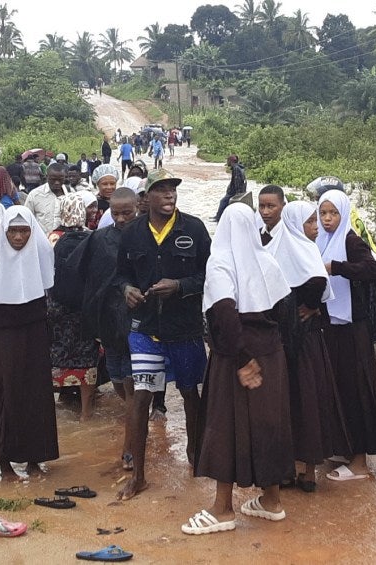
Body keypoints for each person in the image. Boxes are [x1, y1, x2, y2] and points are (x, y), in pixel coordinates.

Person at [182, 202, 293, 536]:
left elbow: (225, 314)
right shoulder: (268, 260)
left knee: (224, 425)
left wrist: (242, 359)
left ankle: (222, 509)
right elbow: (284, 312)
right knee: (268, 423)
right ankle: (271, 501)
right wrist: (268, 353)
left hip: (234, 356)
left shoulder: (220, 262)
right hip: (271, 354)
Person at [115, 169, 211, 501]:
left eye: (172, 189)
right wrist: (126, 289)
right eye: (162, 190)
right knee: (141, 396)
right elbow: (120, 275)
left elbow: (209, 275)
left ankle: (196, 456)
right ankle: (139, 475)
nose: (169, 195)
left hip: (184, 329)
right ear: (146, 199)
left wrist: (180, 286)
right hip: (144, 330)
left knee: (190, 394)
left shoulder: (195, 229)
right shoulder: (131, 234)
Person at [0, 206, 59, 481]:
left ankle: (34, 460)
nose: (18, 237)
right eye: (13, 231)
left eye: (24, 231)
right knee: (2, 394)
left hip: (34, 333)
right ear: (4, 231)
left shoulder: (42, 252)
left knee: (36, 394)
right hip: (0, 336)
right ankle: (3, 464)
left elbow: (47, 287)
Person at [277, 198, 350, 492]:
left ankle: (300, 471)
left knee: (299, 401)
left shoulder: (284, 249)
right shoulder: (301, 250)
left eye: (315, 220)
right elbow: (318, 283)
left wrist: (310, 306)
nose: (316, 226)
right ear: (295, 223)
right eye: (309, 221)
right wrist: (311, 306)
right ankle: (303, 471)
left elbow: (314, 285)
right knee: (303, 400)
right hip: (302, 342)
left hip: (295, 341)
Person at [316, 190, 376, 481]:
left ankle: (360, 462)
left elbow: (373, 269)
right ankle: (343, 447)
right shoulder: (322, 240)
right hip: (332, 327)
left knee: (356, 389)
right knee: (336, 387)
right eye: (323, 214)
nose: (328, 219)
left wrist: (337, 268)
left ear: (344, 213)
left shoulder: (350, 240)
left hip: (352, 329)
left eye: (333, 213)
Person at [70, 187, 139, 468]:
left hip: (138, 322)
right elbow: (79, 270)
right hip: (109, 321)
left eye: (127, 213)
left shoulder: (147, 238)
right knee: (118, 378)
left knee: (134, 385)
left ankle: (131, 449)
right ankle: (136, 419)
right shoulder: (99, 238)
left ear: (137, 208)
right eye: (116, 213)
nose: (122, 219)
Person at [48, 195, 100, 421]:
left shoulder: (51, 238)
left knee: (56, 355)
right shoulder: (93, 238)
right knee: (87, 357)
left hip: (57, 308)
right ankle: (86, 414)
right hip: (85, 309)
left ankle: (54, 410)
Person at [26, 163, 74, 233]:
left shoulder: (71, 194)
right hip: (42, 241)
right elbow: (27, 219)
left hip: (64, 241)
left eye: (60, 179)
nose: (57, 182)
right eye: (53, 179)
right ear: (46, 177)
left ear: (65, 177)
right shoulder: (35, 195)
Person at [213, 155, 246, 222]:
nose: (227, 162)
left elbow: (237, 182)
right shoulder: (238, 168)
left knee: (223, 202)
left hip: (233, 193)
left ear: (231, 161)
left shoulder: (236, 169)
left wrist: (237, 195)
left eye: (228, 160)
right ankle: (219, 217)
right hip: (235, 192)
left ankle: (218, 218)